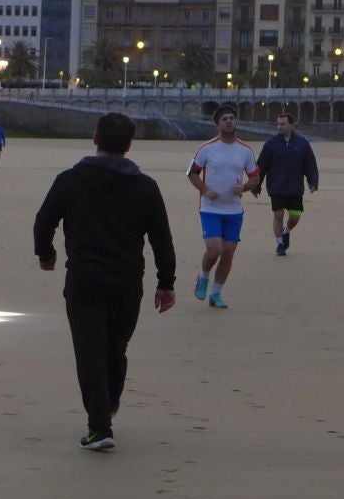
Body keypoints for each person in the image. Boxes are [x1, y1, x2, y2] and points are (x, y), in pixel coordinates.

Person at [33, 112, 176, 452]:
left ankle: (100, 423)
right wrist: (166, 282)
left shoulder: (70, 180)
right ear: (128, 145)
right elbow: (162, 240)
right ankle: (107, 405)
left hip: (85, 278)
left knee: (90, 353)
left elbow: (43, 223)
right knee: (115, 348)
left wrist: (46, 255)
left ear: (95, 138)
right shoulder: (145, 186)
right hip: (128, 282)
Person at [187, 105, 260, 309]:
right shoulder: (207, 148)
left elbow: (256, 177)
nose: (229, 121)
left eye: (232, 118)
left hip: (234, 210)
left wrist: (244, 187)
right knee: (214, 250)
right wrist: (204, 189)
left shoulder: (245, 150)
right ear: (217, 125)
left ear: (236, 122)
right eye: (224, 119)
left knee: (228, 252)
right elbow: (192, 173)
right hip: (210, 208)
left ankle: (216, 294)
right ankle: (203, 277)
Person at [253, 113, 320, 255]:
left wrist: (313, 181)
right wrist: (256, 185)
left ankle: (287, 231)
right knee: (278, 215)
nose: (279, 127)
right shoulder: (271, 144)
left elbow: (309, 164)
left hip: (295, 187)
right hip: (276, 186)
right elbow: (261, 166)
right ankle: (279, 244)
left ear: (291, 125)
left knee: (295, 216)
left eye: (283, 124)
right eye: (278, 124)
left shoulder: (302, 143)